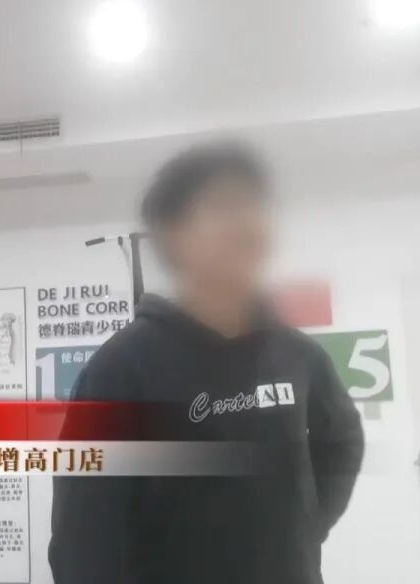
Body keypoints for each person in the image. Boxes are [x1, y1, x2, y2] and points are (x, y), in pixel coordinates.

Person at [48, 141, 364, 584]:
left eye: (256, 206)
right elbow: (81, 537)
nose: (248, 224)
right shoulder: (120, 369)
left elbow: (342, 438)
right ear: (172, 236)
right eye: (224, 206)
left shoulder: (297, 354)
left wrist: (304, 529)